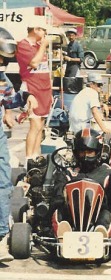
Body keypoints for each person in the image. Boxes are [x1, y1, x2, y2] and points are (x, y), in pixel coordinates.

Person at [0, 27, 38, 262]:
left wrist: (26, 97)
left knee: (4, 182)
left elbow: (9, 97)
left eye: (4, 59)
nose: (2, 63)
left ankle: (0, 238)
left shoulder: (1, 77)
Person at [50, 128, 111, 239]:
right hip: (71, 217)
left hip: (98, 216)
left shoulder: (107, 175)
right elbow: (57, 198)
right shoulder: (67, 173)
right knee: (58, 212)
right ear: (76, 152)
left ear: (98, 152)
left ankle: (101, 234)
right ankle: (62, 235)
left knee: (107, 215)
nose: (85, 156)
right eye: (82, 152)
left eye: (90, 152)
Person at [16, 23, 53, 161]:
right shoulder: (23, 45)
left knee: (41, 126)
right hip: (32, 88)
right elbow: (34, 63)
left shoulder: (38, 45)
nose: (45, 33)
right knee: (35, 124)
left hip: (44, 89)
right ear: (36, 29)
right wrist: (43, 46)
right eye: (43, 29)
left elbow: (45, 68)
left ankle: (36, 156)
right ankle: (28, 158)